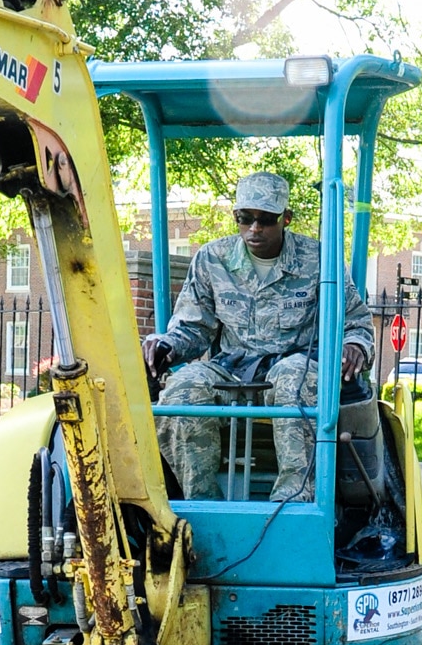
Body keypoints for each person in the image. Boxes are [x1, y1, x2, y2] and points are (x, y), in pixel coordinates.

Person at [142, 170, 373, 500]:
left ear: (286, 218)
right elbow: (194, 328)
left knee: (298, 378)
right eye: (244, 218)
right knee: (182, 389)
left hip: (290, 366)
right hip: (231, 370)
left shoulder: (319, 260)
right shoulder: (212, 259)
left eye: (265, 219)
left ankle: (293, 504)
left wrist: (354, 346)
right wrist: (166, 345)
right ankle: (201, 506)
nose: (254, 228)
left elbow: (356, 323)